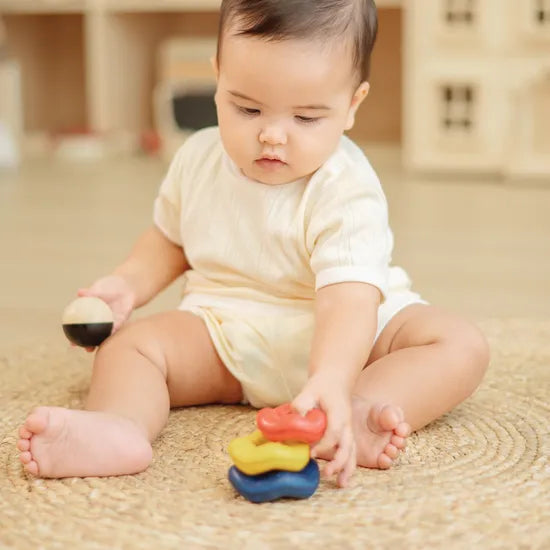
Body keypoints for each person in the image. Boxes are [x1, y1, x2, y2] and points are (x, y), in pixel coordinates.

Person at [17, 0, 490, 487]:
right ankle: (119, 426)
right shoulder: (197, 159)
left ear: (352, 104)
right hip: (225, 333)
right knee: (128, 347)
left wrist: (333, 376)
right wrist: (127, 285)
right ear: (218, 78)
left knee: (459, 344)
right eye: (247, 108)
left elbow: (348, 299)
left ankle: (354, 407)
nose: (272, 135)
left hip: (347, 338)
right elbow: (170, 241)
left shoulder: (346, 188)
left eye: (306, 117)